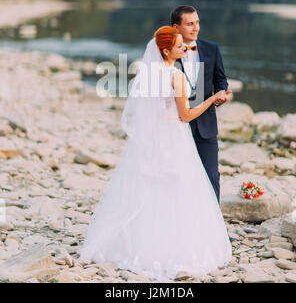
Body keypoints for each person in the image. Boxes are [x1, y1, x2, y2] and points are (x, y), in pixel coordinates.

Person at [78, 26, 232, 280]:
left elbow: (140, 111)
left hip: (152, 138)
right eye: (179, 44)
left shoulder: (147, 73)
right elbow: (186, 115)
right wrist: (211, 100)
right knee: (179, 188)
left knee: (147, 188)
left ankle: (139, 243)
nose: (184, 47)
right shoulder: (176, 75)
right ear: (166, 49)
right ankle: (175, 245)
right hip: (174, 137)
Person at [171, 5, 231, 204]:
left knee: (212, 177)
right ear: (176, 28)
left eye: (197, 22)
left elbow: (220, 80)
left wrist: (221, 93)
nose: (195, 27)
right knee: (179, 179)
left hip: (206, 126)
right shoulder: (166, 54)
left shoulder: (211, 48)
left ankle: (215, 233)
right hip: (177, 126)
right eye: (189, 24)